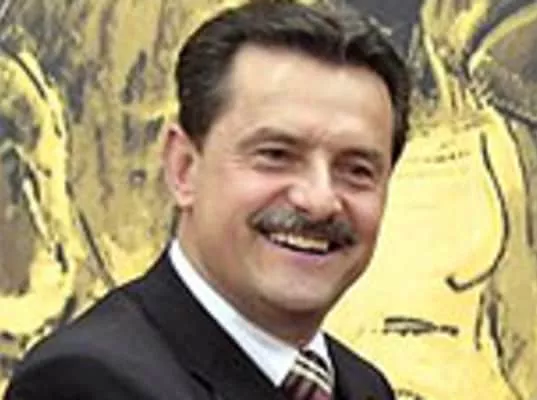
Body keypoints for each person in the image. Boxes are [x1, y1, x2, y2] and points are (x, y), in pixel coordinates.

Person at [4, 1, 411, 399]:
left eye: (357, 169)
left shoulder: (362, 386)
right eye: (276, 155)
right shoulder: (83, 382)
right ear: (183, 168)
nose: (319, 200)